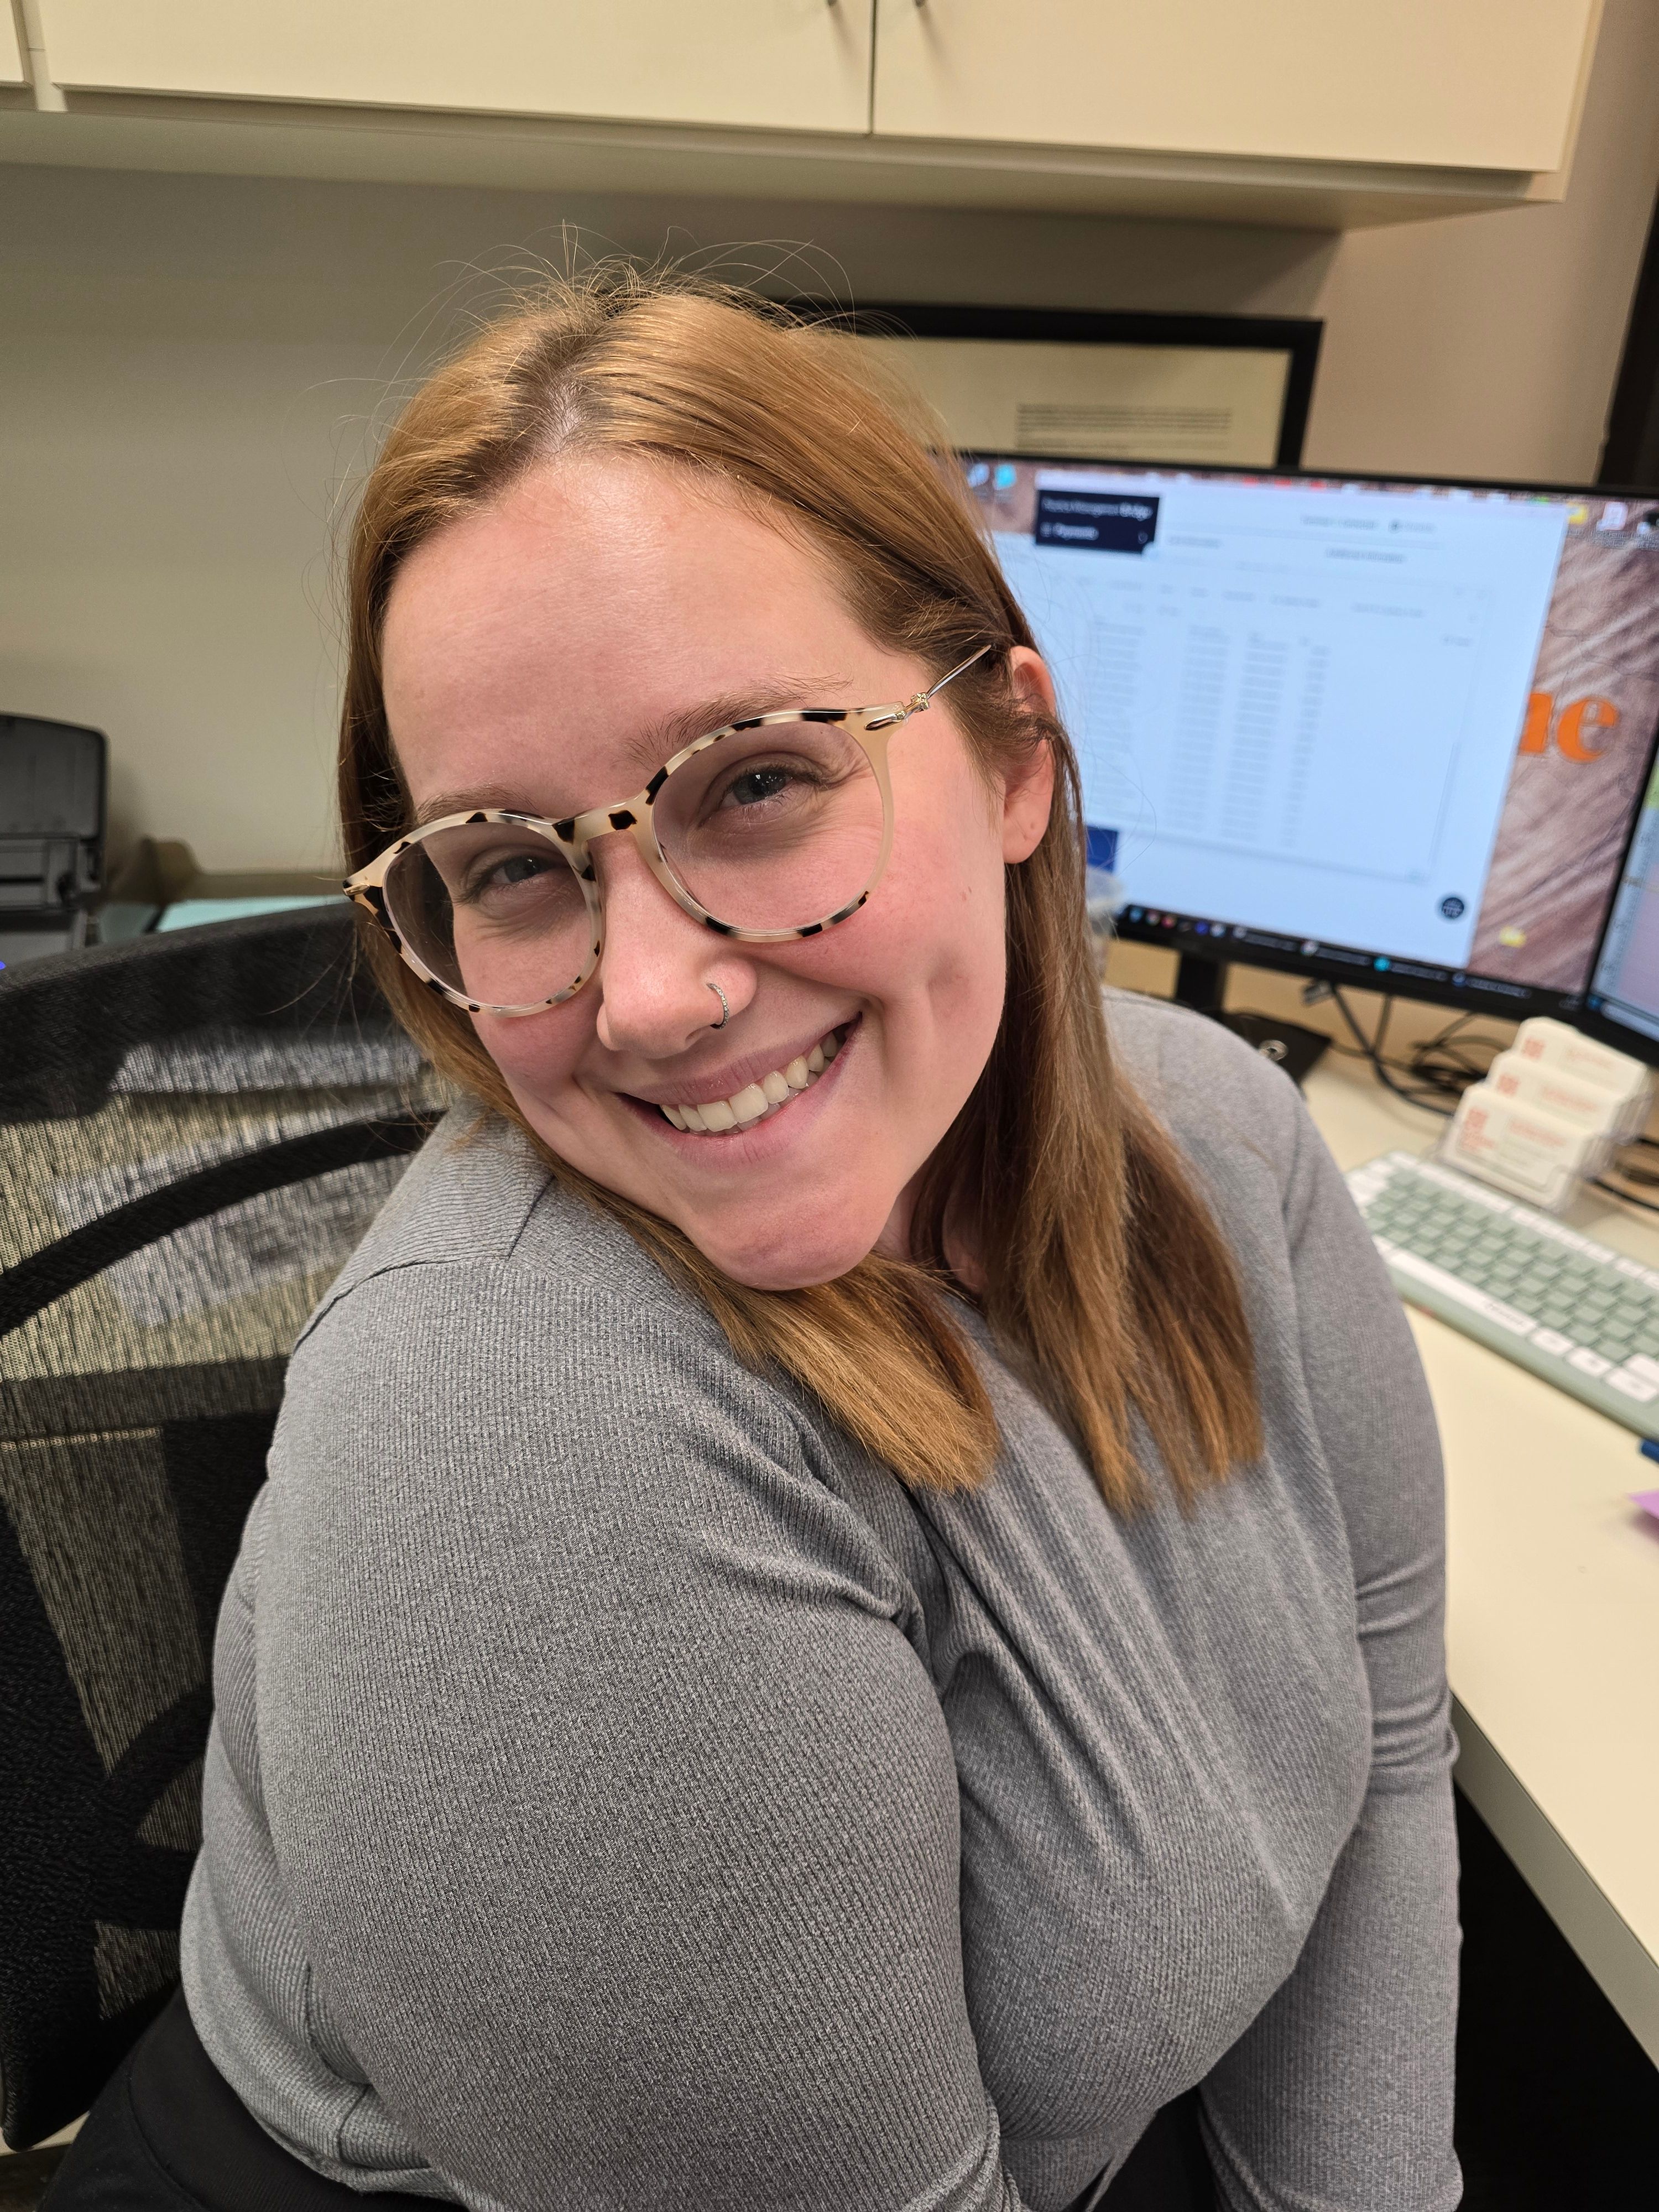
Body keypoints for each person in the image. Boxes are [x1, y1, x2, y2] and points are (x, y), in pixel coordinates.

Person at [47, 269, 1460, 2212]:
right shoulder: (524, 1431)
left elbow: (1389, 1749)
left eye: (763, 781)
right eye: (513, 867)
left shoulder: (1222, 1134)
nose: (646, 997)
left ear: (1016, 758)